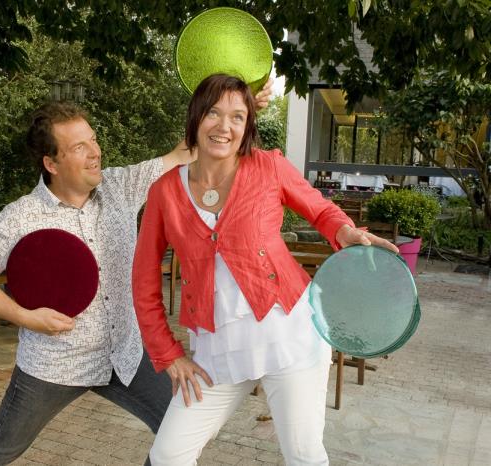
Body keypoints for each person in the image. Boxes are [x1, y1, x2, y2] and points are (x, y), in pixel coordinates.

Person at [0, 84, 272, 465]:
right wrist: (25, 317)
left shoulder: (119, 185)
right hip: (56, 363)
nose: (95, 152)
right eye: (79, 147)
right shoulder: (21, 216)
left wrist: (238, 106)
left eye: (93, 140)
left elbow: (189, 150)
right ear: (51, 163)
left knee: (179, 434)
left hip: (124, 355)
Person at [131, 74, 399, 466]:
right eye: (213, 113)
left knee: (304, 455)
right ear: (195, 118)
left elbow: (320, 209)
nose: (224, 126)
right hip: (216, 349)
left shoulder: (268, 166)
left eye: (237, 117)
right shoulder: (164, 192)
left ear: (247, 127)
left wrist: (345, 230)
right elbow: (143, 278)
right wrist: (168, 353)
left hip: (290, 336)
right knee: (168, 454)